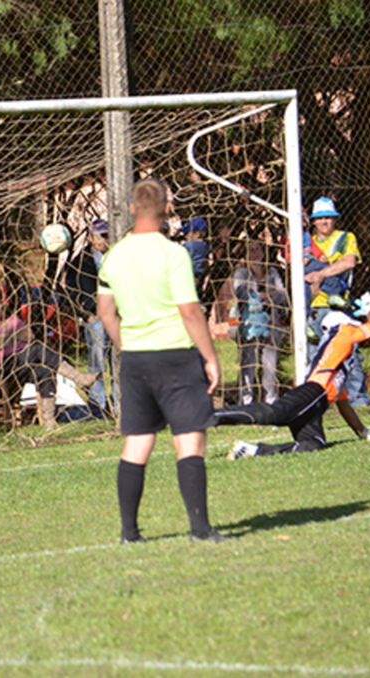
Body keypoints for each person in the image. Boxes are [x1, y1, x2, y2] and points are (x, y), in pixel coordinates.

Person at [95, 177, 226, 544]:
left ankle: (129, 534)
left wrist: (127, 344)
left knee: (137, 444)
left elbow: (106, 313)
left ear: (133, 210)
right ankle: (200, 530)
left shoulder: (113, 256)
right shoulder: (173, 254)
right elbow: (190, 312)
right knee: (189, 442)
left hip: (136, 359)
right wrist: (210, 357)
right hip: (176, 357)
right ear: (168, 209)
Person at [216, 293, 370, 458]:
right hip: (312, 393)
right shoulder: (342, 334)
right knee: (275, 414)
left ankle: (251, 451)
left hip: (314, 406)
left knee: (314, 444)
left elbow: (345, 407)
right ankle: (211, 416)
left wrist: (365, 434)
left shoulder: (338, 364)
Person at [0, 289, 97, 429]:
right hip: (5, 366)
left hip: (25, 363)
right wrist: (16, 335)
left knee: (45, 371)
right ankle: (80, 379)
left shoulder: (12, 320)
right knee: (37, 349)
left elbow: (30, 336)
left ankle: (48, 421)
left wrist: (6, 336)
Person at [304, 197, 370, 406]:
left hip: (338, 304)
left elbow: (348, 262)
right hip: (315, 305)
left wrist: (321, 274)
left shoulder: (345, 238)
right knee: (316, 355)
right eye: (320, 218)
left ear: (335, 220)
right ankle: (319, 398)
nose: (325, 222)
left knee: (349, 352)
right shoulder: (306, 243)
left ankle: (357, 397)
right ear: (313, 221)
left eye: (329, 218)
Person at [63, 218, 116, 418]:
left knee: (119, 362)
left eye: (108, 235)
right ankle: (98, 407)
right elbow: (71, 291)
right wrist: (87, 315)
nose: (105, 240)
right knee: (98, 363)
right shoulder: (80, 262)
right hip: (97, 320)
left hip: (118, 317)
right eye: (102, 236)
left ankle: (121, 406)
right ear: (91, 237)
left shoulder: (115, 257)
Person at [232, 238, 288, 405]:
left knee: (270, 364)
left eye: (258, 249)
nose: (255, 253)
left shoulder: (272, 272)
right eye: (251, 250)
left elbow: (283, 296)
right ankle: (246, 400)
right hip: (248, 324)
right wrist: (268, 295)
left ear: (264, 253)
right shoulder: (242, 273)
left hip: (272, 321)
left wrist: (262, 297)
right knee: (248, 363)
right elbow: (243, 294)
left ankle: (270, 399)